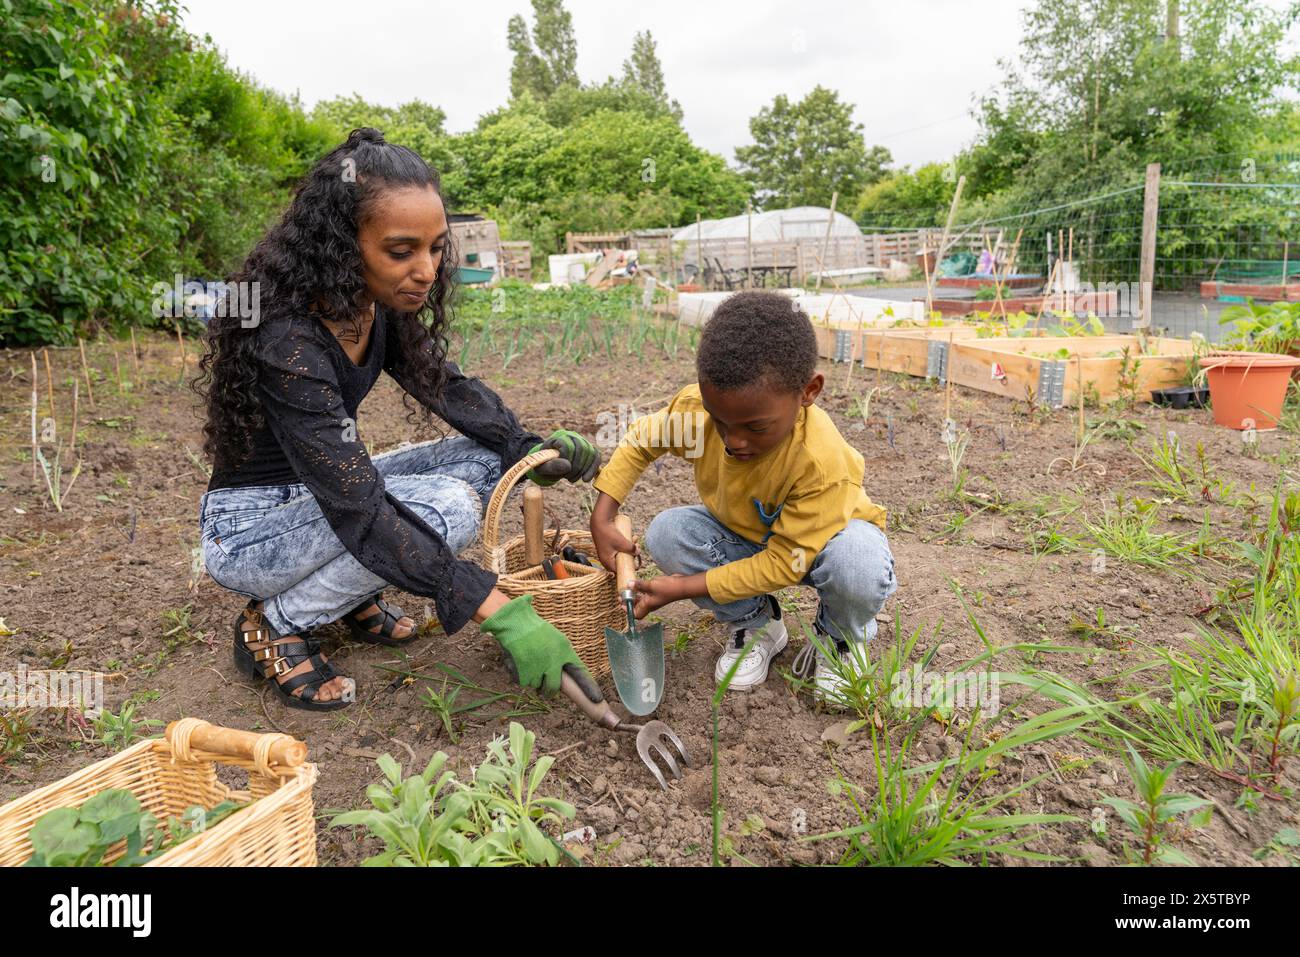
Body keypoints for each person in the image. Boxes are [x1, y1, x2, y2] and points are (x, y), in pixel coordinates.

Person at [195, 128, 603, 711]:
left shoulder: (375, 307)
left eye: (437, 248)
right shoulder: (286, 339)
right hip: (252, 533)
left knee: (497, 461)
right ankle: (277, 622)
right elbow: (357, 506)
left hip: (321, 497)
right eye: (402, 250)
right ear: (342, 243)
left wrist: (529, 445)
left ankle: (347, 591)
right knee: (450, 507)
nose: (427, 269)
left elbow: (446, 386)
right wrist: (497, 611)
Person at [588, 291, 897, 702]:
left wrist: (683, 588)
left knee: (858, 564)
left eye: (755, 427)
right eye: (721, 422)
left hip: (823, 547)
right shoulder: (697, 415)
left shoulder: (822, 462)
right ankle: (757, 623)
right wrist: (604, 513)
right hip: (747, 539)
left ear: (808, 391)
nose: (733, 441)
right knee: (667, 533)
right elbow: (643, 440)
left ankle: (840, 637)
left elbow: (784, 563)